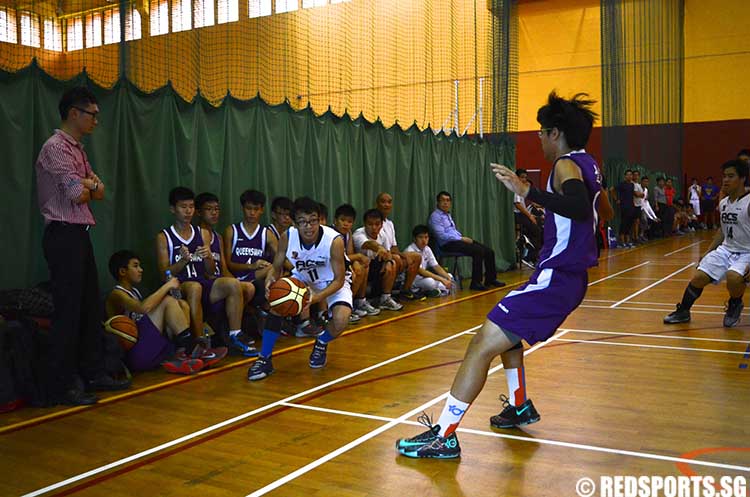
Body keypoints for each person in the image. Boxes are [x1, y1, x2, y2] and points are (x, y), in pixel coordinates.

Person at [397, 91, 611, 459]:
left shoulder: (563, 165)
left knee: (480, 345)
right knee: (505, 335)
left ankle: (444, 436)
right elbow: (602, 209)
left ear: (556, 133)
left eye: (542, 132)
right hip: (565, 278)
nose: (539, 138)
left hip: (556, 278)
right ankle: (519, 405)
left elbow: (577, 205)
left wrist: (530, 192)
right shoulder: (590, 164)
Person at [35, 86, 130, 406]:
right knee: (68, 310)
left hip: (80, 234)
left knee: (90, 305)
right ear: (74, 113)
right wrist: (88, 184)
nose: (96, 121)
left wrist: (88, 184)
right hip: (62, 235)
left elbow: (99, 191)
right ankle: (60, 386)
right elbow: (78, 193)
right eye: (92, 115)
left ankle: (93, 373)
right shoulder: (55, 148)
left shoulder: (79, 149)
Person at [247, 197, 353, 380]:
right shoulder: (287, 237)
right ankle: (264, 358)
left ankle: (321, 342)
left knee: (341, 319)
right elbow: (277, 266)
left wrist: (317, 298)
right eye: (303, 222)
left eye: (313, 220)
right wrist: (270, 281)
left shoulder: (334, 240)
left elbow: (339, 279)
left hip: (331, 281)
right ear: (295, 224)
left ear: (320, 220)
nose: (309, 226)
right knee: (277, 306)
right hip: (303, 278)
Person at [155, 187, 239, 364]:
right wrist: (182, 262)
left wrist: (208, 256)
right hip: (179, 286)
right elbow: (164, 275)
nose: (188, 211)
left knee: (232, 284)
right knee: (194, 287)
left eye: (191, 206)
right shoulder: (164, 237)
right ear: (173, 209)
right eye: (183, 207)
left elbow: (209, 271)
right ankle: (200, 344)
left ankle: (235, 335)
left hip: (202, 282)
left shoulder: (203, 233)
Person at [664, 159, 750, 328]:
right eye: (724, 176)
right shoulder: (724, 203)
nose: (725, 180)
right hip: (727, 249)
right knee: (699, 276)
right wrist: (709, 252)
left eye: (731, 176)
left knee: (733, 277)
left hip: (746, 252)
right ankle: (683, 311)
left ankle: (735, 304)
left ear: (742, 179)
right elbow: (721, 231)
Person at [105, 251, 205, 374]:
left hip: (147, 348)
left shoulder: (135, 292)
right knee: (167, 301)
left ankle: (182, 353)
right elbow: (143, 308)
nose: (141, 270)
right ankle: (191, 348)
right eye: (135, 266)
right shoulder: (117, 294)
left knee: (182, 304)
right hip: (133, 354)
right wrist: (167, 286)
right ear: (122, 271)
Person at [224, 189, 277, 356]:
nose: (252, 213)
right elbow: (227, 264)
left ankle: (265, 307)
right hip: (236, 278)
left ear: (261, 210)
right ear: (242, 208)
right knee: (247, 287)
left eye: (256, 209)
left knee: (272, 267)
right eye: (248, 208)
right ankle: (256, 315)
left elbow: (281, 259)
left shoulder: (266, 234)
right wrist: (251, 266)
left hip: (255, 280)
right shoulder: (231, 231)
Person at [428, 192, 505, 291]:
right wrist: (461, 239)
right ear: (438, 202)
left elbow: (452, 232)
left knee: (489, 251)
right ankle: (475, 283)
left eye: (448, 200)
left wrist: (462, 238)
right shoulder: (435, 216)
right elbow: (441, 236)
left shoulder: (447, 215)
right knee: (478, 251)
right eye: (443, 200)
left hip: (457, 241)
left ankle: (491, 279)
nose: (446, 203)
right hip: (447, 245)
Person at [333, 204, 381, 321]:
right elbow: (337, 257)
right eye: (342, 220)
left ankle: (358, 302)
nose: (346, 224)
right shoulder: (331, 234)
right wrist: (357, 257)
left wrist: (355, 262)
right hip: (333, 267)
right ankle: (343, 307)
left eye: (349, 221)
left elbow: (349, 254)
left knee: (363, 266)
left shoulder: (348, 233)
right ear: (335, 220)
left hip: (344, 264)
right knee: (356, 270)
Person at [353, 209, 404, 311]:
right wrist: (379, 248)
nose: (374, 228)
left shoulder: (382, 234)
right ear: (365, 224)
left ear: (381, 225)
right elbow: (368, 244)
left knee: (393, 262)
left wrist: (388, 262)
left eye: (377, 224)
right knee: (364, 264)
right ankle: (360, 301)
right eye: (370, 224)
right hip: (360, 269)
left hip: (375, 267)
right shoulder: (358, 234)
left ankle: (385, 299)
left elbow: (388, 252)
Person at [375, 192, 423, 300]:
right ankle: (385, 296)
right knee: (396, 258)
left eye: (389, 202)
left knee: (416, 257)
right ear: (377, 204)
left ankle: (405, 290)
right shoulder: (374, 223)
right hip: (381, 258)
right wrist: (396, 256)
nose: (386, 205)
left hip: (392, 255)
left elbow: (394, 247)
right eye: (383, 202)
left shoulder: (390, 224)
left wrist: (403, 255)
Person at [404, 225, 454, 297]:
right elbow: (422, 272)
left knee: (449, 275)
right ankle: (426, 291)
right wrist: (442, 280)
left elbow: (436, 266)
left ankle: (435, 291)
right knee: (430, 282)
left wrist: (447, 277)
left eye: (426, 237)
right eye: (420, 237)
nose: (424, 240)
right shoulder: (410, 251)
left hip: (423, 279)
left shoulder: (427, 249)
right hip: (412, 281)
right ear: (414, 239)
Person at [513, 169, 542, 266]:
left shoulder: (521, 189)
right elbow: (517, 204)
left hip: (523, 215)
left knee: (539, 228)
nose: (524, 179)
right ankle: (529, 257)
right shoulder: (515, 188)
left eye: (525, 177)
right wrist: (529, 216)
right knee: (536, 231)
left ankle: (532, 256)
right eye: (522, 177)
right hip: (517, 215)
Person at [611, 170, 635, 247]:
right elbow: (611, 189)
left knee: (629, 223)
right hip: (624, 206)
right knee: (624, 222)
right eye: (628, 175)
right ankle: (622, 241)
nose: (629, 176)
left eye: (631, 175)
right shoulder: (622, 184)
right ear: (625, 176)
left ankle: (627, 241)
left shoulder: (632, 185)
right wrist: (616, 199)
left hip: (631, 206)